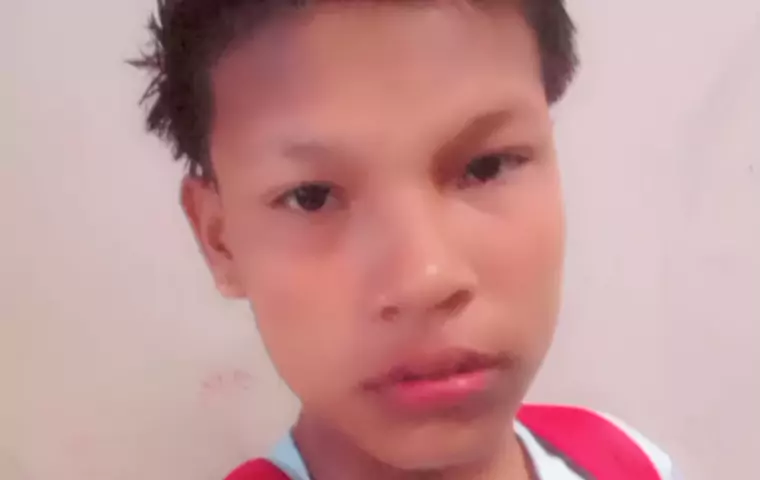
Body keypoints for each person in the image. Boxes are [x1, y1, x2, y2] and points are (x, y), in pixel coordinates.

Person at [134, 0, 680, 478]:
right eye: (312, 197)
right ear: (219, 240)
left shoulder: (624, 460)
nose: (425, 278)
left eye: (487, 166)